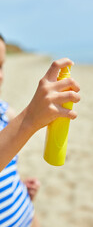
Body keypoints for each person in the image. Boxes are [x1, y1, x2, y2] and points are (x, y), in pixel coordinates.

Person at [0, 35, 80, 227]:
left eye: (1, 65)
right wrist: (29, 118)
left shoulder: (4, 111)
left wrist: (16, 187)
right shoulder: (19, 119)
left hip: (27, 215)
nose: (0, 75)